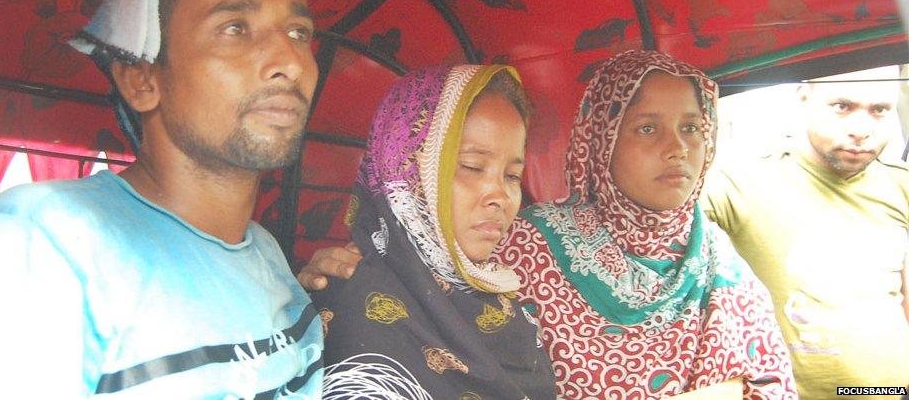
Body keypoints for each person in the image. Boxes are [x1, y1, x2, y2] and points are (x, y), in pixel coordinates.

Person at [0, 0, 324, 398]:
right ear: (142, 81)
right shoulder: (44, 239)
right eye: (235, 29)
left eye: (299, 31)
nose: (290, 60)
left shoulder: (263, 250)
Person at [301, 50, 796, 398]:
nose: (678, 148)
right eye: (648, 127)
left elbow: (768, 380)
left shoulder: (716, 257)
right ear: (599, 140)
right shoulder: (524, 249)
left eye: (692, 128)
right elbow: (416, 255)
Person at [313, 64, 556, 399]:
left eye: (512, 175)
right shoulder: (359, 312)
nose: (500, 196)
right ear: (408, 172)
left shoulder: (498, 304)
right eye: (472, 167)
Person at [702, 68, 909, 398]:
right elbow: (653, 226)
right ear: (803, 96)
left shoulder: (899, 184)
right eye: (842, 106)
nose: (860, 129)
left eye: (878, 110)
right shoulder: (741, 181)